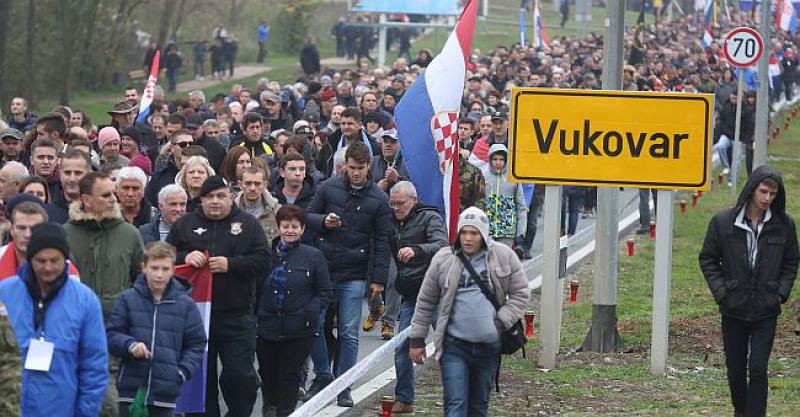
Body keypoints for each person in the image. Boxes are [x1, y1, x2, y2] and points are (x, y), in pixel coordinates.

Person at [409, 207, 529, 417]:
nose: (468, 238)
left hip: (489, 347)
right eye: (463, 232)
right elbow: (426, 301)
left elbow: (521, 294)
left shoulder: (503, 256)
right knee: (455, 405)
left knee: (478, 406)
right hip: (454, 346)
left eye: (473, 233)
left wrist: (502, 321)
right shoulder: (443, 258)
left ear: (483, 234)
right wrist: (417, 340)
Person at [167, 176, 270, 417]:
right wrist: (185, 258)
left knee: (240, 377)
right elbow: (165, 254)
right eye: (209, 197)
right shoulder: (185, 224)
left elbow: (264, 260)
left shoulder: (248, 224)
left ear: (231, 196)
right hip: (197, 317)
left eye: (220, 196)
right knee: (200, 379)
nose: (215, 202)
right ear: (200, 199)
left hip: (236, 315)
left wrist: (231, 265)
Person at [699, 166, 798, 417]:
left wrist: (780, 292)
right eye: (763, 192)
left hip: (766, 308)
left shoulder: (784, 226)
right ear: (752, 190)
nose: (767, 199)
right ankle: (741, 411)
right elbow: (708, 259)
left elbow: (791, 261)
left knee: (757, 369)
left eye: (773, 194)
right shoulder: (723, 223)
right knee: (735, 370)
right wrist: (722, 292)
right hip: (733, 308)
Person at [304, 142, 391, 406]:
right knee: (316, 327)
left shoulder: (378, 198)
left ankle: (344, 385)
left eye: (361, 169)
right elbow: (307, 216)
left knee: (349, 333)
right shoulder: (328, 188)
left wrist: (378, 279)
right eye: (352, 168)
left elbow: (382, 241)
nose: (356, 173)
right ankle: (322, 375)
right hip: (325, 268)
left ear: (368, 167)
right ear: (345, 166)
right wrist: (323, 222)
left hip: (355, 272)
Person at [0, 222, 109, 417]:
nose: (48, 268)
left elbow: (94, 367)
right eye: (41, 261)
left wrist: (86, 413)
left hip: (61, 409)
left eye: (55, 260)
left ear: (65, 259)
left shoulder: (85, 301)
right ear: (30, 258)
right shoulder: (4, 294)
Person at [107, 241, 207, 417]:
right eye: (154, 268)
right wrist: (130, 345)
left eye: (165, 269)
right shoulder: (127, 299)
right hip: (130, 390)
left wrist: (181, 372)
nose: (159, 275)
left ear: (173, 270)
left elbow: (196, 343)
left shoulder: (185, 305)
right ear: (144, 267)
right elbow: (113, 335)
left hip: (165, 392)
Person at [256, 205, 333, 417]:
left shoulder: (313, 256)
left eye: (295, 227)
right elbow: (255, 287)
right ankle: (270, 406)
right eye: (286, 226)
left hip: (299, 328)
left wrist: (310, 310)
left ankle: (284, 413)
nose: (290, 230)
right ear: (278, 227)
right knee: (268, 373)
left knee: (289, 376)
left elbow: (325, 291)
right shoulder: (265, 255)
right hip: (267, 326)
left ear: (303, 229)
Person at [387, 181, 448, 414]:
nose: (397, 208)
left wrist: (417, 250)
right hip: (411, 293)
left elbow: (442, 244)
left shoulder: (430, 218)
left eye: (400, 204)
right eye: (392, 204)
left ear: (413, 199)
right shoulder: (391, 220)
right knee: (402, 346)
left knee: (448, 345)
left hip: (435, 291)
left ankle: (458, 393)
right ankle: (404, 398)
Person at [64, 171, 145, 318]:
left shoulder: (129, 233)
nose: (114, 199)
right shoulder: (65, 235)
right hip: (75, 320)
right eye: (106, 195)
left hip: (118, 323)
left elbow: (142, 278)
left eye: (114, 193)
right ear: (87, 200)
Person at [480, 144, 527, 249]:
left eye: (501, 159)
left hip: (507, 229)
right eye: (495, 159)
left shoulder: (513, 177)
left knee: (503, 259)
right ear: (490, 159)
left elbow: (521, 206)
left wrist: (521, 232)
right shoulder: (483, 175)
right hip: (486, 228)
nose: (498, 162)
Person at [236, 166, 281, 243]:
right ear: (240, 185)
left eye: (257, 184)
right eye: (248, 183)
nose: (252, 188)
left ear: (265, 185)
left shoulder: (277, 211)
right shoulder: (230, 211)